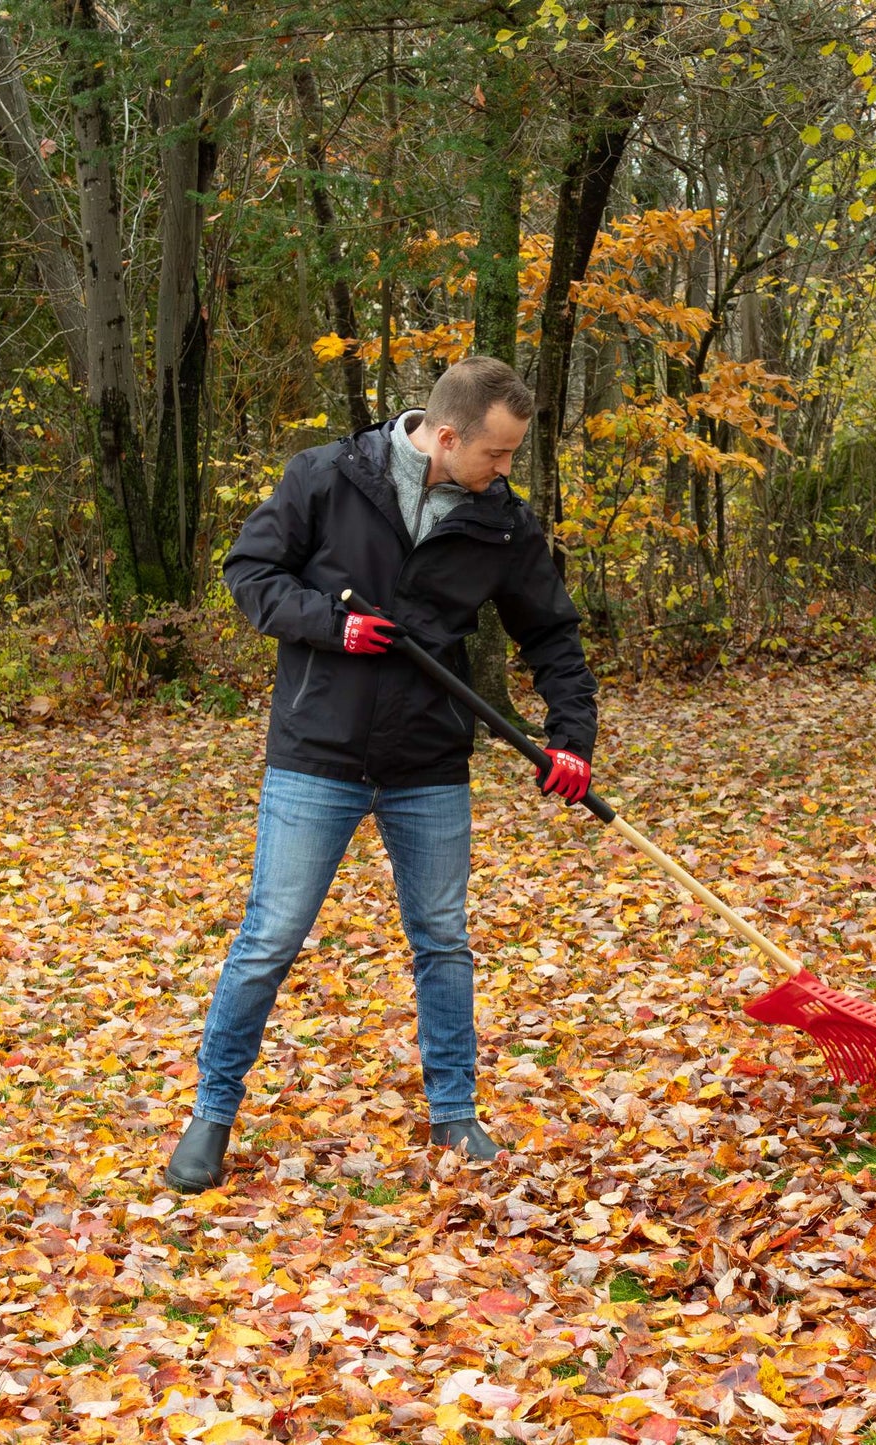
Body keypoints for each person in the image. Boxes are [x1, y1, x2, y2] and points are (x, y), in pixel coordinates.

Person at [165, 357, 597, 1193]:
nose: (505, 469)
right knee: (269, 938)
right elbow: (249, 574)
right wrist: (331, 625)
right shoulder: (326, 477)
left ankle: (454, 1113)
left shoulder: (501, 522)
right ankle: (211, 1114)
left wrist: (570, 738)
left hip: (428, 758)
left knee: (443, 939)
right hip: (318, 750)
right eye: (497, 453)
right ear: (446, 436)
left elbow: (552, 635)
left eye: (511, 455)